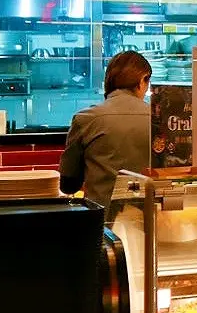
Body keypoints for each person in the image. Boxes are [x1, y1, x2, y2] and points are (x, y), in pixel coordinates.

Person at [60, 51, 152, 217]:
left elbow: (68, 185)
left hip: (100, 222)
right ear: (142, 81)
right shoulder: (160, 120)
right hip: (151, 220)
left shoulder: (86, 119)